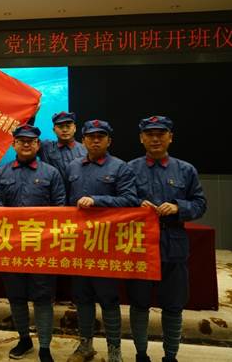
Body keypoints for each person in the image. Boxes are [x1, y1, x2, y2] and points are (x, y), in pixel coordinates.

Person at [127, 116, 207, 362]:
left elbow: (200, 204)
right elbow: (120, 200)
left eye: (160, 134)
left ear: (170, 137)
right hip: (139, 246)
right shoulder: (129, 169)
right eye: (149, 134)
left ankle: (170, 356)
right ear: (141, 138)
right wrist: (136, 204)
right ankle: (141, 354)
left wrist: (178, 207)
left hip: (173, 247)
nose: (155, 139)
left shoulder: (185, 170)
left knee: (173, 305)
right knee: (139, 304)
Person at [65, 120, 138, 362]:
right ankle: (85, 345)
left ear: (109, 141)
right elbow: (65, 203)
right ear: (83, 140)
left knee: (108, 298)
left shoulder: (120, 167)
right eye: (91, 137)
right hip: (78, 243)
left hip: (106, 243)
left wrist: (97, 200)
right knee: (82, 297)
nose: (95, 140)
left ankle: (114, 350)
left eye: (101, 136)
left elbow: (130, 200)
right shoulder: (73, 166)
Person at [0, 124, 65, 362]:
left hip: (41, 247)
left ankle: (44, 347)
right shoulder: (2, 172)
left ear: (37, 145)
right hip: (11, 246)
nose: (26, 144)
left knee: (43, 298)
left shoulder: (51, 173)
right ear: (13, 144)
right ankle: (24, 339)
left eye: (31, 141)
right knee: (16, 296)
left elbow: (60, 208)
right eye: (21, 141)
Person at [39, 111, 86, 179]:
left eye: (68, 126)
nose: (64, 130)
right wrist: (31, 117)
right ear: (54, 130)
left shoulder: (85, 150)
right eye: (60, 127)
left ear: (75, 128)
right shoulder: (45, 147)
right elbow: (28, 137)